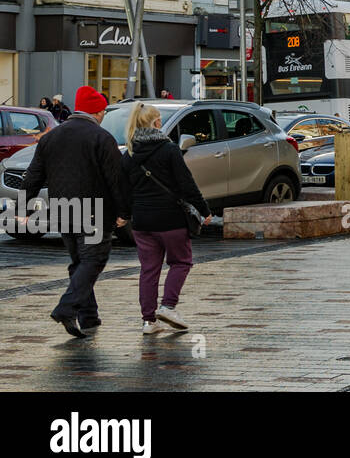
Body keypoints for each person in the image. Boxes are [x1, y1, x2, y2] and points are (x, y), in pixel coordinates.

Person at [20, 86, 130, 338]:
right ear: (95, 112)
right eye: (102, 111)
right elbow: (116, 179)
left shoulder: (51, 137)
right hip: (94, 212)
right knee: (94, 259)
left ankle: (89, 316)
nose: (103, 116)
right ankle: (66, 308)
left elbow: (34, 176)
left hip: (63, 210)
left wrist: (24, 208)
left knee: (80, 261)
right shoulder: (101, 138)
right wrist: (123, 211)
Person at [120, 102, 212, 334]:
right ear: (157, 123)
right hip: (170, 219)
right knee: (181, 262)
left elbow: (123, 189)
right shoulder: (169, 150)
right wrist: (204, 210)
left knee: (148, 269)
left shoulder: (129, 154)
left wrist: (123, 214)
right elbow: (186, 184)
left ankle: (149, 321)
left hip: (141, 222)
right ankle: (168, 306)